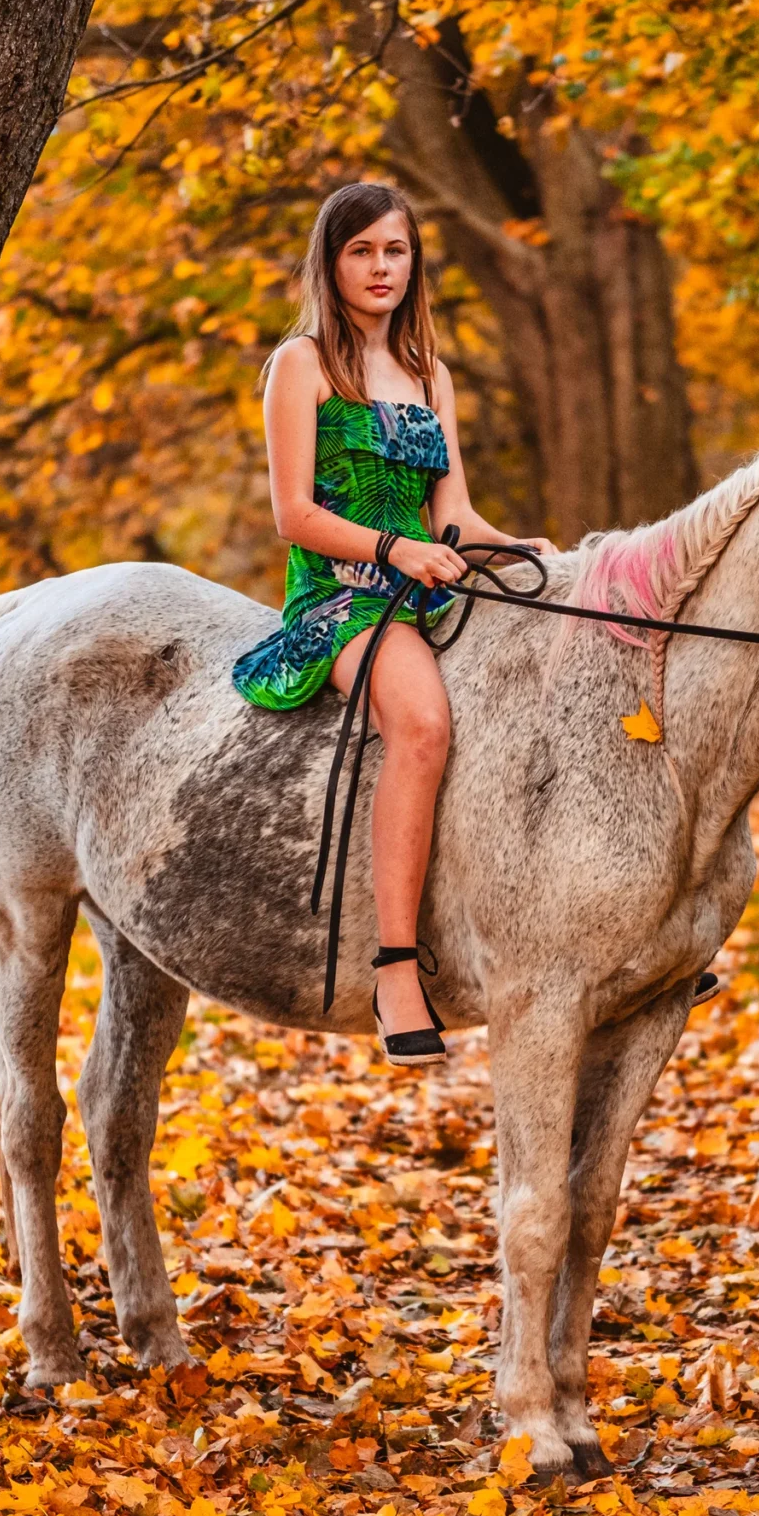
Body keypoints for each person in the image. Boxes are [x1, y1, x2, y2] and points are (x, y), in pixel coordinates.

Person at [234, 181, 554, 1067]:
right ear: (331, 264)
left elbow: (451, 516)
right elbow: (294, 516)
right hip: (342, 594)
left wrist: (521, 549)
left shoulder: (429, 376)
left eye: (396, 251)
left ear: (415, 263)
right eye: (362, 252)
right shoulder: (301, 365)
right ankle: (395, 967)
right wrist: (393, 548)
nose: (381, 269)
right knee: (421, 724)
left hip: (425, 585)